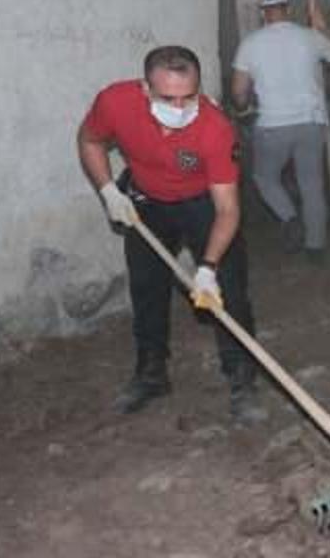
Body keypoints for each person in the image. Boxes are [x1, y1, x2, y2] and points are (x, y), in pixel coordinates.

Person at [77, 45, 267, 424]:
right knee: (146, 288)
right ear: (145, 89)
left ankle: (242, 379)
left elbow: (228, 209)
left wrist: (208, 268)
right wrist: (108, 191)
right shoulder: (115, 102)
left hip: (203, 205)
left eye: (188, 97)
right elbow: (89, 140)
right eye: (168, 98)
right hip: (145, 201)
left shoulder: (214, 127)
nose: (180, 109)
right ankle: (151, 373)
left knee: (228, 292)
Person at [231, 0, 330, 263]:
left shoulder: (251, 43)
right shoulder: (309, 36)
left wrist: (244, 108)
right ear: (288, 10)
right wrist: (323, 27)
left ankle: (290, 218)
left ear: (262, 14)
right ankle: (316, 247)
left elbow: (238, 91)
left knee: (265, 178)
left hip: (273, 123)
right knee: (312, 185)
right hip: (310, 121)